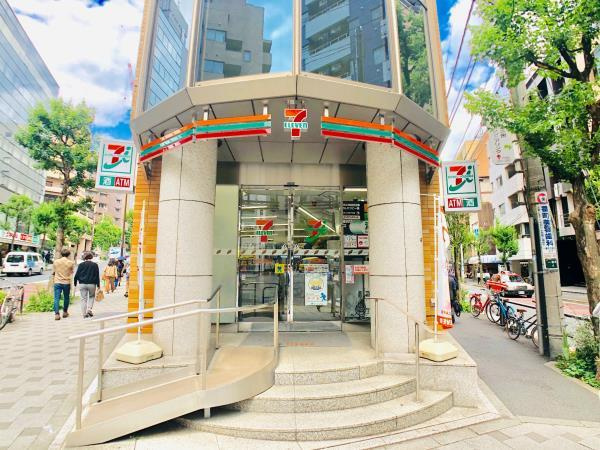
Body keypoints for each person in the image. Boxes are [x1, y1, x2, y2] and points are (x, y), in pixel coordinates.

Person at [74, 251, 100, 318]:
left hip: (82, 284)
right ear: (91, 257)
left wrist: (75, 283)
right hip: (92, 284)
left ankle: (84, 314)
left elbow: (77, 274)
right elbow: (97, 275)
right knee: (91, 296)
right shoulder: (95, 265)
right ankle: (89, 309)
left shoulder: (81, 265)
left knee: (83, 299)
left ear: (84, 257)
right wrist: (98, 285)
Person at [53, 248, 74, 320]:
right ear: (68, 255)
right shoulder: (71, 263)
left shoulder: (56, 262)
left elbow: (54, 271)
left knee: (56, 298)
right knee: (66, 297)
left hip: (57, 282)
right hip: (66, 282)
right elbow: (71, 272)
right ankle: (65, 312)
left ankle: (57, 314)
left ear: (61, 254)